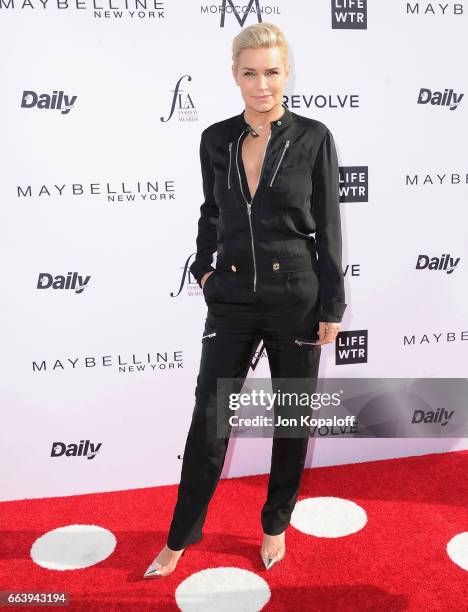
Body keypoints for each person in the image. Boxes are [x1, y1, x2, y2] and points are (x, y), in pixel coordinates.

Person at [144, 22, 347, 578]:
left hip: (296, 297)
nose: (262, 85)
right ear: (235, 76)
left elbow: (329, 225)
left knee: (291, 418)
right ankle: (179, 536)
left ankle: (275, 524)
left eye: (272, 72)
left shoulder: (314, 137)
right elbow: (212, 211)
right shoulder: (214, 138)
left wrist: (332, 305)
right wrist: (204, 269)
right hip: (230, 296)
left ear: (287, 73)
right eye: (251, 73)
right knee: (209, 420)